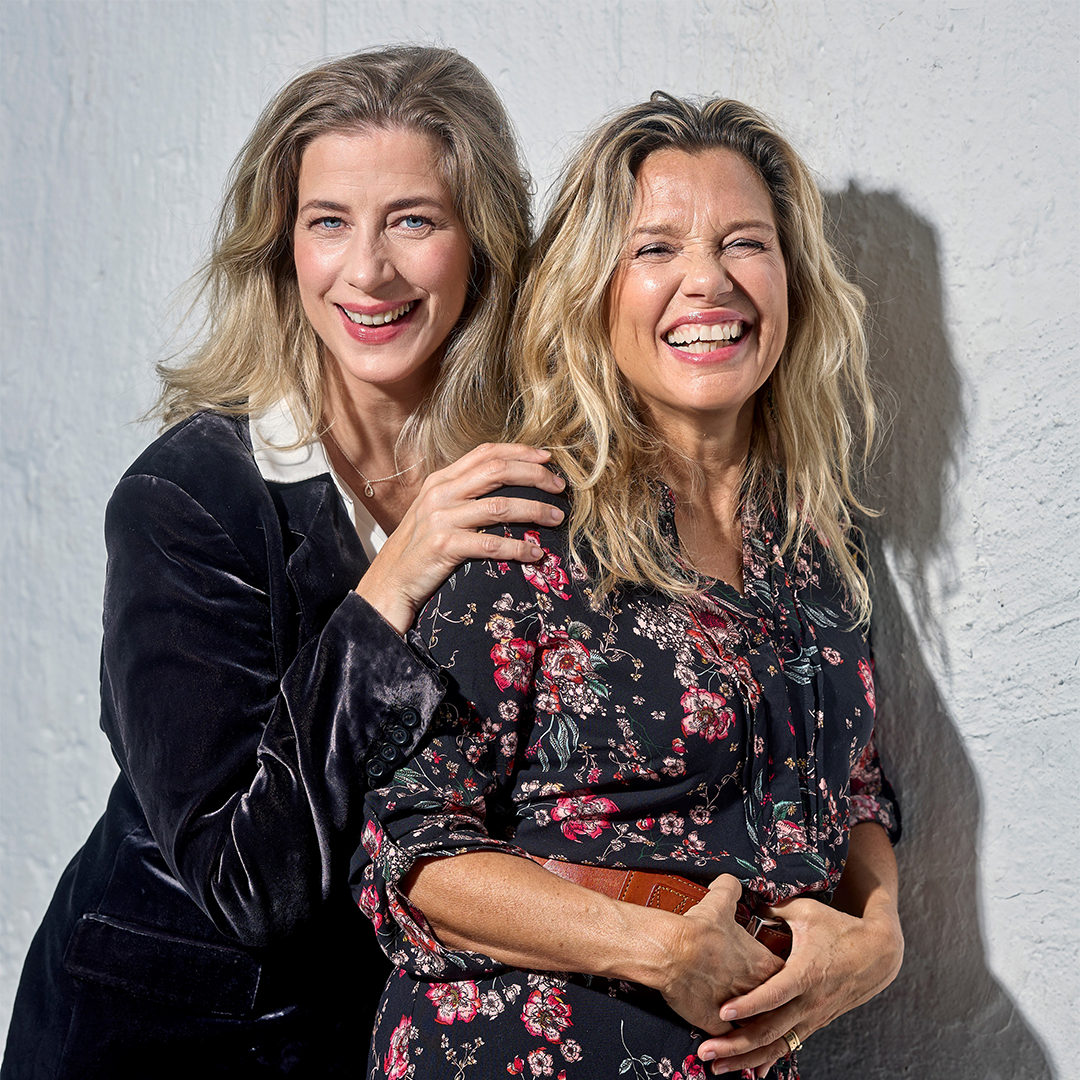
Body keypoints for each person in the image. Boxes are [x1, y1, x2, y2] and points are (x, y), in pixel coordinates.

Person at [2, 45, 566, 1079]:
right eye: (329, 223)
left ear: (481, 244)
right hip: (167, 1040)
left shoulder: (525, 469)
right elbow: (244, 884)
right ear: (283, 248)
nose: (369, 271)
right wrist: (388, 588)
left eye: (413, 220)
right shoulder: (187, 500)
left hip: (394, 1033)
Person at [358, 94, 904, 1080]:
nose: (710, 281)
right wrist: (657, 948)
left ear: (792, 279)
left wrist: (879, 933)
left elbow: (854, 782)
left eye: (745, 243)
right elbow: (411, 849)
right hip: (519, 1049)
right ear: (594, 291)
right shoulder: (519, 522)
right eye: (656, 249)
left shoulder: (820, 541)